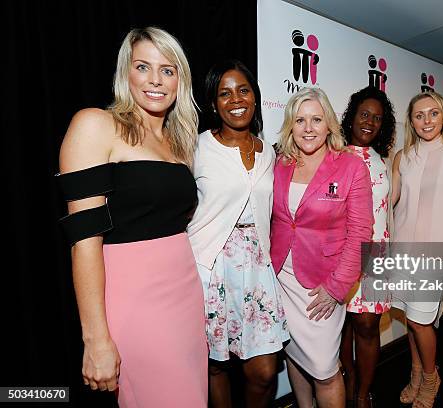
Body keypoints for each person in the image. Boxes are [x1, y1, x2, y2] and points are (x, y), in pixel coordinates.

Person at [57, 27, 207, 407]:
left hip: (185, 296)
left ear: (180, 80)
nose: (155, 80)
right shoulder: (95, 125)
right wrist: (95, 339)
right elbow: (83, 241)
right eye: (143, 66)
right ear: (127, 73)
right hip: (136, 300)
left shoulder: (179, 142)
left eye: (167, 70)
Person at [187, 59, 289, 408]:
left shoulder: (269, 154)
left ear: (255, 98)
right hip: (211, 268)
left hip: (258, 271)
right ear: (214, 104)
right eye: (224, 93)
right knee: (215, 367)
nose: (236, 99)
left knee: (263, 371)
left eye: (243, 90)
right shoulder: (197, 148)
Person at [271, 87, 373, 408]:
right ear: (291, 125)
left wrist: (336, 287)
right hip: (280, 279)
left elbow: (361, 233)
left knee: (326, 370)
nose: (309, 128)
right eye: (300, 120)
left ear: (329, 123)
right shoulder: (281, 163)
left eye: (316, 119)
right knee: (294, 353)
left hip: (321, 285)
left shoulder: (352, 167)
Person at [391, 91, 443, 408]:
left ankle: (430, 377)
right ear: (411, 121)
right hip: (401, 250)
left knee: (421, 320)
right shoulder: (403, 157)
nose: (427, 120)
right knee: (411, 318)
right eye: (419, 115)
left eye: (433, 113)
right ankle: (415, 372)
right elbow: (390, 202)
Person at [338, 86, 396, 408]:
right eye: (364, 114)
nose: (370, 122)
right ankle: (348, 380)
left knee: (367, 324)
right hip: (344, 249)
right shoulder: (334, 155)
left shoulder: (382, 160)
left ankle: (363, 394)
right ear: (352, 116)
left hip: (376, 252)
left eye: (377, 118)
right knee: (344, 323)